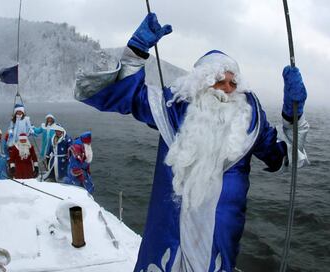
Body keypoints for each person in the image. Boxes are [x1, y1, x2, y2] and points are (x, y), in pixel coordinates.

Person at [73, 13, 309, 272]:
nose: (227, 89)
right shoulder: (171, 109)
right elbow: (124, 96)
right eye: (218, 81)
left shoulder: (252, 120)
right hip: (168, 235)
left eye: (233, 83)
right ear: (201, 84)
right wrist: (137, 52)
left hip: (222, 236)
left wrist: (292, 115)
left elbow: (282, 157)